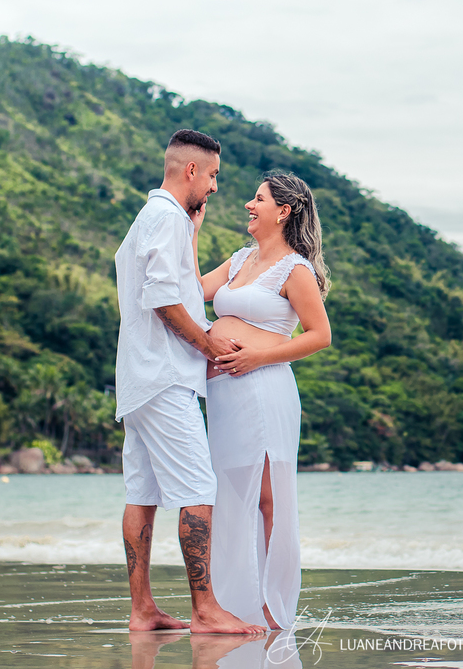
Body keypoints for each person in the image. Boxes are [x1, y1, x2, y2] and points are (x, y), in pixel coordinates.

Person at [114, 128, 265, 635]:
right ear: (192, 170)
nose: (217, 189)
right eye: (215, 176)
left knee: (142, 493)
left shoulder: (154, 219)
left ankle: (143, 611)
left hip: (138, 380)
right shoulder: (165, 218)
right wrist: (208, 347)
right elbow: (163, 299)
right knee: (199, 488)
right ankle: (205, 609)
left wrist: (194, 235)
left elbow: (176, 285)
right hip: (165, 380)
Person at [191, 170, 332, 630]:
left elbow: (320, 336)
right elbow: (190, 289)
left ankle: (273, 605)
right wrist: (190, 232)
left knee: (268, 499)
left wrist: (258, 357)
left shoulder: (296, 269)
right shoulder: (238, 260)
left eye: (259, 198)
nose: (249, 205)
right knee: (231, 496)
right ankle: (237, 601)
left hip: (264, 389)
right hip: (225, 395)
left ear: (284, 211)